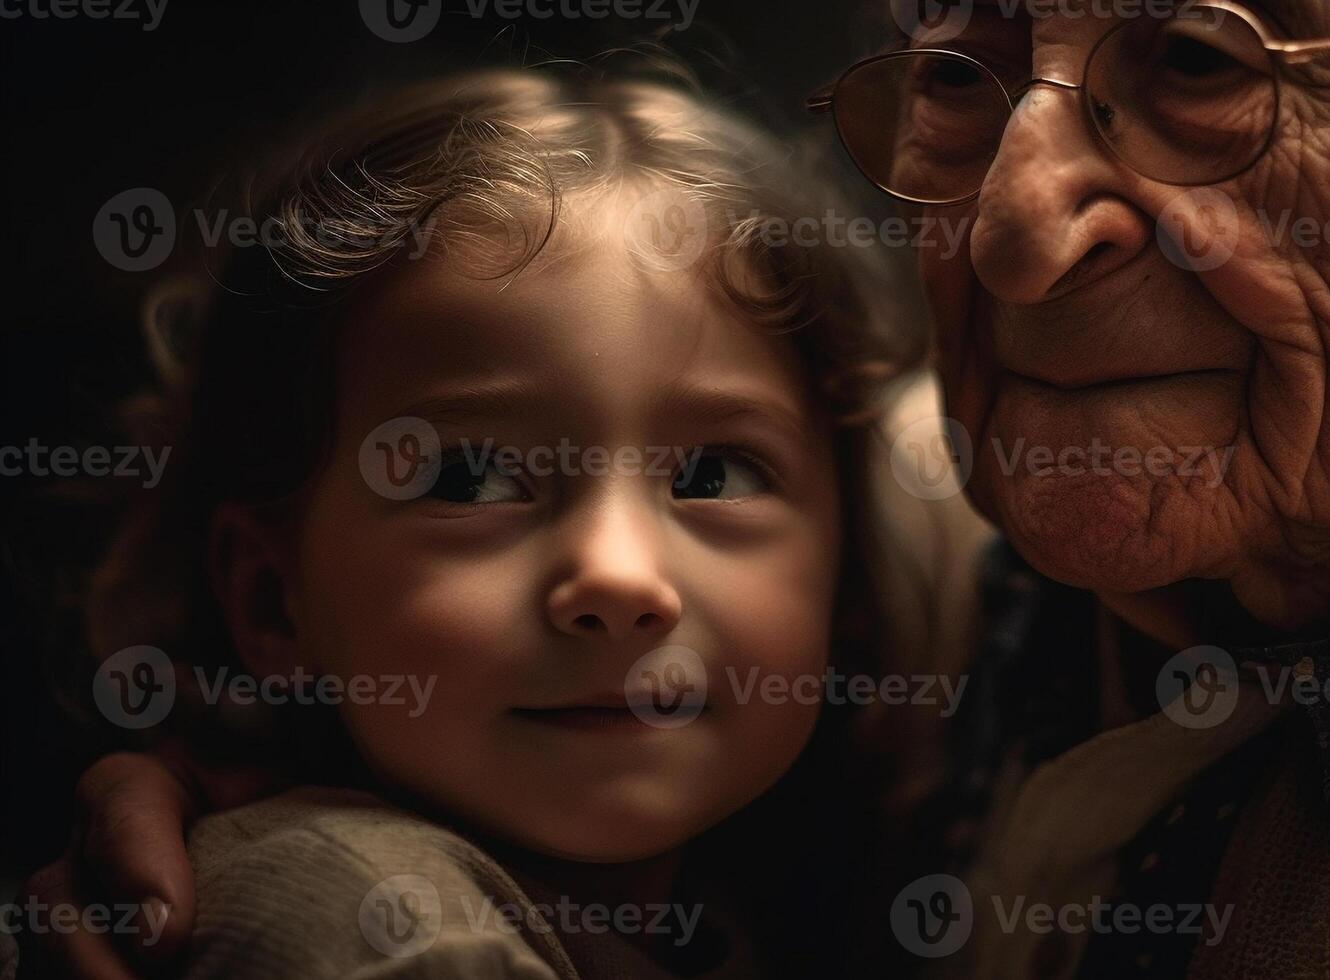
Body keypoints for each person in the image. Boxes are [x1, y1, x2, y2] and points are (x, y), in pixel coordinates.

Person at [28, 0, 1330, 976]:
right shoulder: (943, 502)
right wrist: (271, 801)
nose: (1009, 230)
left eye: (1202, 64)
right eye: (966, 74)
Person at [14, 66, 934, 979]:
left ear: (845, 567)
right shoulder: (384, 932)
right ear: (269, 601)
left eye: (711, 472)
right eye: (471, 477)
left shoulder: (746, 915)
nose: (615, 577)